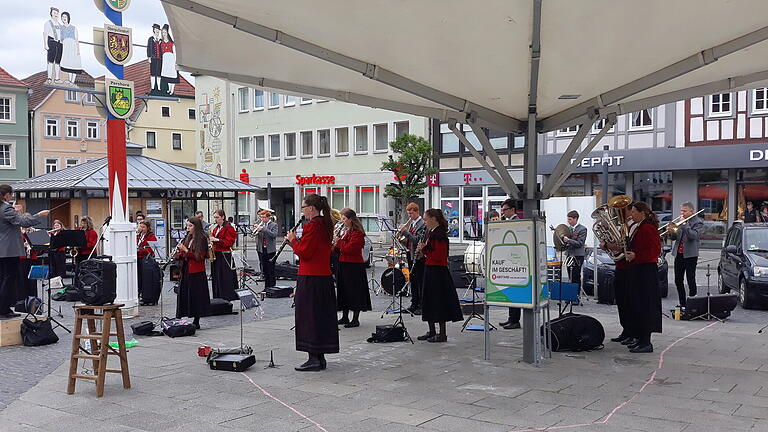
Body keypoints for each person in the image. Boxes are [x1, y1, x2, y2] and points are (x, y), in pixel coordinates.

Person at [286, 194, 338, 371]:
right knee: (319, 317)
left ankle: (314, 358)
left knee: (309, 317)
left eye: (303, 207)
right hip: (322, 276)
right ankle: (319, 357)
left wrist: (293, 241)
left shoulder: (313, 226)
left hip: (311, 277)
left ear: (311, 208)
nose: (302, 211)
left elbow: (305, 252)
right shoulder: (325, 224)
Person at [0, 185, 48, 319]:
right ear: (6, 195)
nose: (12, 197)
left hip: (3, 250)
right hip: (9, 250)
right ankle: (3, 309)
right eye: (11, 194)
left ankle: (4, 307)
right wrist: (39, 215)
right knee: (9, 279)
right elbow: (23, 221)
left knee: (3, 279)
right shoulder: (5, 208)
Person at [416, 209, 463, 342]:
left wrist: (424, 248)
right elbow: (430, 254)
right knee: (429, 299)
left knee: (439, 300)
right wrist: (422, 253)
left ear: (433, 219)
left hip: (438, 271)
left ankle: (442, 333)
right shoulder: (431, 233)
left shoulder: (440, 235)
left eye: (426, 219)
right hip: (430, 269)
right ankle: (431, 330)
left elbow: (438, 255)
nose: (425, 223)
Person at [624, 202, 662, 353]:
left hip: (645, 270)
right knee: (637, 305)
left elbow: (655, 250)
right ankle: (640, 338)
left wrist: (636, 255)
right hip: (639, 268)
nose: (631, 215)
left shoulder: (647, 228)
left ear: (642, 213)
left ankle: (646, 341)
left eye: (633, 212)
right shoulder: (641, 226)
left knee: (645, 305)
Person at [601, 209, 638, 344]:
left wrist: (611, 246)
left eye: (624, 210)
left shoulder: (634, 226)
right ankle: (626, 330)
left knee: (629, 303)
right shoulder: (623, 227)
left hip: (629, 269)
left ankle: (632, 332)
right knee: (621, 302)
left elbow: (627, 248)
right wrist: (607, 245)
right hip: (620, 267)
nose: (619, 214)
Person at [333, 208, 371, 328]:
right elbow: (340, 248)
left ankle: (355, 319)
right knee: (343, 290)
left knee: (354, 291)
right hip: (343, 263)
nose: (342, 221)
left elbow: (351, 249)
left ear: (350, 220)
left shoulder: (357, 233)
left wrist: (338, 242)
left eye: (344, 219)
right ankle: (344, 316)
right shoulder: (345, 231)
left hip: (354, 265)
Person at [175, 217, 211, 329]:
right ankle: (181, 316)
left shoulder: (202, 239)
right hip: (186, 269)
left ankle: (197, 319)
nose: (188, 228)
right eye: (187, 226)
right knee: (184, 292)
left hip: (196, 271)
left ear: (196, 226)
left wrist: (185, 250)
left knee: (196, 295)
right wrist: (179, 253)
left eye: (190, 226)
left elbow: (199, 256)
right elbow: (184, 253)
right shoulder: (188, 237)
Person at [669, 202, 702, 308]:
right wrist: (671, 232)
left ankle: (692, 304)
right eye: (681, 211)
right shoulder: (680, 221)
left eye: (684, 211)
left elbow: (694, 236)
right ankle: (682, 303)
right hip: (679, 254)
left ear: (691, 211)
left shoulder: (698, 222)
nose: (682, 213)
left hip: (690, 255)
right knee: (678, 280)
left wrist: (685, 225)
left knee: (690, 279)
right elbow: (674, 238)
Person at [498, 199, 521, 330]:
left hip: (515, 260)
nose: (503, 212)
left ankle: (515, 320)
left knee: (514, 292)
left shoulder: (516, 221)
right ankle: (511, 318)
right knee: (511, 292)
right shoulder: (508, 221)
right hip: (510, 259)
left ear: (512, 209)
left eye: (505, 210)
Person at [400, 202, 426, 315]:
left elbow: (417, 240)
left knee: (419, 281)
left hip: (418, 257)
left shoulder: (422, 224)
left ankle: (421, 304)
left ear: (416, 212)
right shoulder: (412, 224)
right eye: (408, 213)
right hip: (410, 255)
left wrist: (405, 232)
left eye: (411, 213)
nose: (409, 216)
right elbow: (410, 240)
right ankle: (414, 303)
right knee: (413, 281)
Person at [209, 209, 238, 301]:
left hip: (225, 255)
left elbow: (229, 242)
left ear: (223, 217)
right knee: (217, 277)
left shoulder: (229, 228)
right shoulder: (216, 228)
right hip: (217, 254)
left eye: (217, 217)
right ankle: (218, 296)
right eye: (215, 218)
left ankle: (226, 297)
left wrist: (216, 240)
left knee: (225, 278)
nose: (216, 219)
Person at [562, 210, 587, 287]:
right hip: (569, 255)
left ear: (575, 219)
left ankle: (576, 295)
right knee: (570, 275)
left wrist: (569, 240)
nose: (568, 221)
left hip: (578, 255)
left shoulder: (582, 229)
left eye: (570, 219)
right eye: (568, 219)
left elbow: (580, 243)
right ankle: (571, 295)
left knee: (576, 275)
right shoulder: (568, 229)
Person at [253, 209, 278, 288]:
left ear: (268, 218)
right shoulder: (260, 224)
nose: (262, 219)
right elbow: (256, 235)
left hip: (270, 250)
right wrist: (255, 230)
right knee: (265, 270)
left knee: (271, 270)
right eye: (261, 217)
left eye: (263, 217)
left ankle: (272, 287)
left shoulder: (273, 225)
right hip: (262, 249)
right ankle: (266, 287)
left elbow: (273, 235)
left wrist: (263, 229)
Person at [136, 221, 159, 306]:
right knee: (139, 278)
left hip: (146, 260)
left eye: (143, 227)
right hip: (138, 259)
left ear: (147, 228)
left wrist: (140, 250)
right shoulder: (138, 236)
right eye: (140, 227)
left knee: (146, 278)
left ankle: (147, 296)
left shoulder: (151, 236)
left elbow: (150, 249)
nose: (141, 229)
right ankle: (140, 293)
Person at [19, 222, 42, 300]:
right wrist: (23, 245)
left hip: (32, 257)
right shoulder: (18, 232)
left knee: (33, 279)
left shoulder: (33, 232)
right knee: (23, 278)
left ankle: (33, 298)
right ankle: (23, 298)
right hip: (22, 257)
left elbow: (39, 246)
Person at [58, 12, 82, 85]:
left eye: (65, 17)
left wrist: (78, 50)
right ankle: (69, 79)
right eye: (62, 17)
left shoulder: (73, 28)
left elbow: (76, 40)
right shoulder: (61, 28)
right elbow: (60, 39)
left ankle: (72, 80)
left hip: (72, 47)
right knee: (67, 63)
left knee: (73, 64)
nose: (63, 18)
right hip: (65, 48)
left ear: (68, 18)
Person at [43, 7, 63, 84]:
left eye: (57, 13)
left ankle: (57, 78)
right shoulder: (48, 23)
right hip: (52, 42)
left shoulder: (59, 25)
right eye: (54, 13)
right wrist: (45, 44)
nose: (56, 15)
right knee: (50, 61)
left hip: (59, 43)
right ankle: (49, 78)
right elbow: (45, 33)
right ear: (51, 13)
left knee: (58, 62)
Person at [160, 24, 179, 95]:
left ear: (167, 32)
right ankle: (169, 89)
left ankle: (172, 89)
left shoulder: (172, 43)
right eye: (162, 33)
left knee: (172, 73)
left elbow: (174, 51)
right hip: (165, 58)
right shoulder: (161, 43)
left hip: (171, 58)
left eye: (165, 32)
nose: (164, 34)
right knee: (166, 73)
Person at [146, 24, 163, 92]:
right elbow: (149, 48)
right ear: (154, 30)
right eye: (156, 29)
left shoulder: (160, 40)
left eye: (158, 30)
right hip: (153, 58)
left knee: (159, 73)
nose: (157, 31)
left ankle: (158, 87)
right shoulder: (150, 39)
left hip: (159, 59)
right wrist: (149, 57)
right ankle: (153, 87)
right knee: (153, 72)